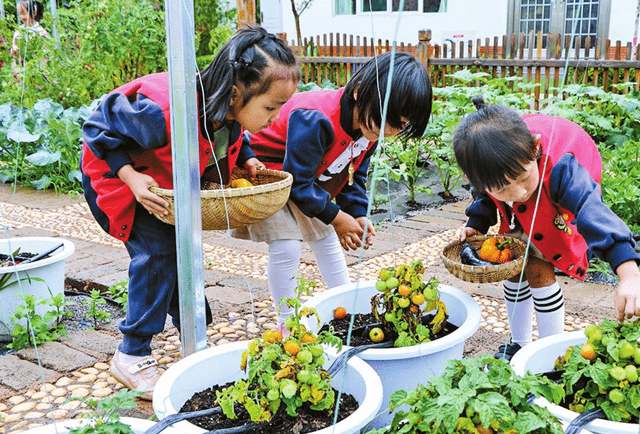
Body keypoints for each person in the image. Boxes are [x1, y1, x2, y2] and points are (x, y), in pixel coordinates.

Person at [80, 26, 300, 399]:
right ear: (236, 93)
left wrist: (245, 157)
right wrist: (131, 177)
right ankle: (130, 354)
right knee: (159, 255)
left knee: (185, 251)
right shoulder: (164, 110)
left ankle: (195, 337)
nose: (275, 118)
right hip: (122, 184)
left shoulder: (224, 107)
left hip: (167, 186)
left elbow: (233, 134)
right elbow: (97, 127)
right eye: (270, 108)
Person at [233, 51, 433, 331]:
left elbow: (355, 174)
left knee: (325, 236)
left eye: (400, 125)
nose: (390, 131)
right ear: (359, 93)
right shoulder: (316, 118)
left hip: (303, 180)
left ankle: (349, 307)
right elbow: (298, 182)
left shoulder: (370, 128)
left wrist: (356, 213)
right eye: (387, 119)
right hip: (265, 174)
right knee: (286, 245)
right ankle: (287, 324)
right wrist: (338, 217)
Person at [453, 95, 640, 361]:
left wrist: (629, 272)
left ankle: (551, 350)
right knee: (514, 267)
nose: (518, 193)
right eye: (502, 188)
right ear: (473, 178)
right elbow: (483, 196)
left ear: (534, 148)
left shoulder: (563, 169)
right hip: (517, 213)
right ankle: (519, 343)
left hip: (554, 202)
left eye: (522, 178)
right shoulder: (488, 174)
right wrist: (476, 224)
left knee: (539, 268)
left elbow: (592, 212)